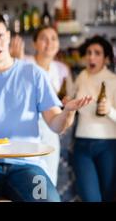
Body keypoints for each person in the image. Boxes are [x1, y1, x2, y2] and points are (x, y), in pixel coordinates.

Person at [0, 12, 92, 202]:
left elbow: (56, 125)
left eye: (0, 36)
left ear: (8, 36)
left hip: (27, 164)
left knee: (49, 200)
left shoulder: (34, 74)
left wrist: (68, 112)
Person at [10, 26, 74, 186]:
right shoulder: (22, 61)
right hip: (24, 130)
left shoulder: (62, 69)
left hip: (51, 129)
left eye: (53, 38)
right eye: (44, 38)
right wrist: (15, 64)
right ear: (35, 44)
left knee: (47, 179)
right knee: (24, 180)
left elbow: (68, 97)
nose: (49, 43)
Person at [73, 35, 116, 202]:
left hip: (108, 146)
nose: (91, 57)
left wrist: (110, 110)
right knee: (90, 198)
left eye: (97, 53)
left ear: (106, 58)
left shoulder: (113, 80)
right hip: (82, 145)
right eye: (89, 52)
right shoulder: (80, 77)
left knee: (108, 197)